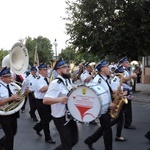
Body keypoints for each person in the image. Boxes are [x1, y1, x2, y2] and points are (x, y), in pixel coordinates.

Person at [43, 59, 79, 150]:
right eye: (64, 67)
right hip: (60, 117)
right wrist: (60, 99)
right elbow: (45, 100)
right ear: (58, 71)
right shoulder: (56, 83)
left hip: (70, 115)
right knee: (67, 144)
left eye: (67, 66)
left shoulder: (68, 80)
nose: (67, 68)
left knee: (74, 140)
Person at [84, 60, 116, 150]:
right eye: (107, 67)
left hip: (107, 108)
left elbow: (106, 92)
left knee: (105, 127)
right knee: (108, 131)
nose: (109, 69)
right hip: (102, 109)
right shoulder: (97, 80)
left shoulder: (105, 79)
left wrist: (117, 94)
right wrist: (109, 104)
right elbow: (95, 96)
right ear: (102, 69)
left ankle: (90, 140)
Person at [0, 67, 22, 150]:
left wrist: (23, 94)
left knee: (14, 132)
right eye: (8, 77)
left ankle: (1, 143)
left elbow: (17, 96)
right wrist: (11, 98)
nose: (11, 78)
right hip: (4, 114)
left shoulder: (12, 85)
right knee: (10, 136)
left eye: (11, 76)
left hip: (13, 112)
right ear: (2, 77)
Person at [33, 64, 55, 144]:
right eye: (45, 70)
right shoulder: (38, 79)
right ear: (40, 71)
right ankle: (48, 137)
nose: (47, 71)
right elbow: (42, 89)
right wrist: (51, 85)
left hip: (47, 100)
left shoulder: (47, 78)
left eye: (46, 69)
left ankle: (38, 127)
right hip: (41, 102)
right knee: (45, 120)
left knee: (50, 117)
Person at [118, 57, 137, 129]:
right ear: (122, 63)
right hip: (124, 90)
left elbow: (130, 78)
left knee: (123, 107)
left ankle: (120, 121)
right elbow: (122, 80)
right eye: (126, 62)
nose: (128, 64)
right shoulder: (121, 69)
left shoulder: (128, 69)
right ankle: (127, 123)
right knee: (127, 108)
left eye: (128, 62)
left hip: (128, 89)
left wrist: (134, 75)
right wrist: (131, 76)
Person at [110, 65, 128, 141]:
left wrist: (122, 93)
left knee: (118, 119)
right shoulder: (115, 81)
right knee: (121, 119)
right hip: (116, 102)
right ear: (119, 73)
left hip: (118, 101)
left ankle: (105, 127)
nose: (124, 75)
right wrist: (122, 94)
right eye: (123, 73)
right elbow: (113, 94)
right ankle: (118, 136)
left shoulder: (118, 80)